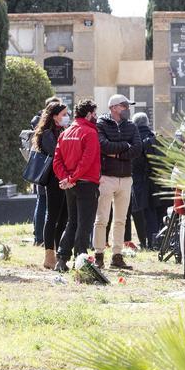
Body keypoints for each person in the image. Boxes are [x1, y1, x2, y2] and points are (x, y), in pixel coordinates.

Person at [93, 95, 143, 270]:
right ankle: (98, 254)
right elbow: (102, 145)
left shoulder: (131, 126)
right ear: (114, 107)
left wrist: (117, 153)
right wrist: (125, 146)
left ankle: (117, 255)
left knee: (121, 219)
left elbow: (137, 148)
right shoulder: (101, 124)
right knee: (101, 219)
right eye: (124, 105)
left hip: (126, 178)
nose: (127, 109)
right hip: (106, 177)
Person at [53, 99, 102, 272]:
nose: (96, 117)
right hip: (86, 183)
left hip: (71, 186)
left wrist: (66, 179)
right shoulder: (89, 132)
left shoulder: (65, 133)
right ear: (88, 114)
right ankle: (81, 258)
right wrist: (72, 178)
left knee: (72, 221)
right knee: (85, 223)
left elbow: (57, 160)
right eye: (94, 114)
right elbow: (87, 161)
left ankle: (61, 258)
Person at [32, 102, 69, 270]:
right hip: (54, 179)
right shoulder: (47, 134)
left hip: (65, 178)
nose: (66, 117)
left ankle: (59, 251)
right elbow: (56, 154)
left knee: (64, 217)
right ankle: (49, 255)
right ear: (54, 116)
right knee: (52, 217)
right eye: (63, 114)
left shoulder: (63, 131)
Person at [30, 96, 62, 247]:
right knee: (44, 205)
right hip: (48, 174)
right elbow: (54, 151)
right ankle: (40, 238)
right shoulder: (47, 132)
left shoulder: (54, 129)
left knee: (44, 204)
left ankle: (43, 238)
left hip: (51, 173)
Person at [129, 112, 160, 251]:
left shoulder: (133, 139)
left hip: (137, 180)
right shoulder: (155, 138)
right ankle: (155, 241)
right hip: (154, 180)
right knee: (152, 211)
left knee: (138, 211)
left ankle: (144, 242)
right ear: (147, 123)